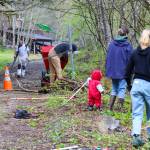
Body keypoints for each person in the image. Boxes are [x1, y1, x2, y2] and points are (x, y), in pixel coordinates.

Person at [125, 29, 150, 147]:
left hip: (136, 84)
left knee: (137, 113)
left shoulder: (134, 52)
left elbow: (127, 72)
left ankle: (136, 136)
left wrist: (129, 85)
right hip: (148, 84)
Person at [105, 26, 133, 110]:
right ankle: (118, 109)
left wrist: (108, 69)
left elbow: (108, 58)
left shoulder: (111, 44)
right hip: (123, 71)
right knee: (121, 89)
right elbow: (131, 60)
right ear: (126, 34)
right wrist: (131, 71)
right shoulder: (128, 45)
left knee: (114, 88)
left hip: (113, 71)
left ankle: (110, 108)